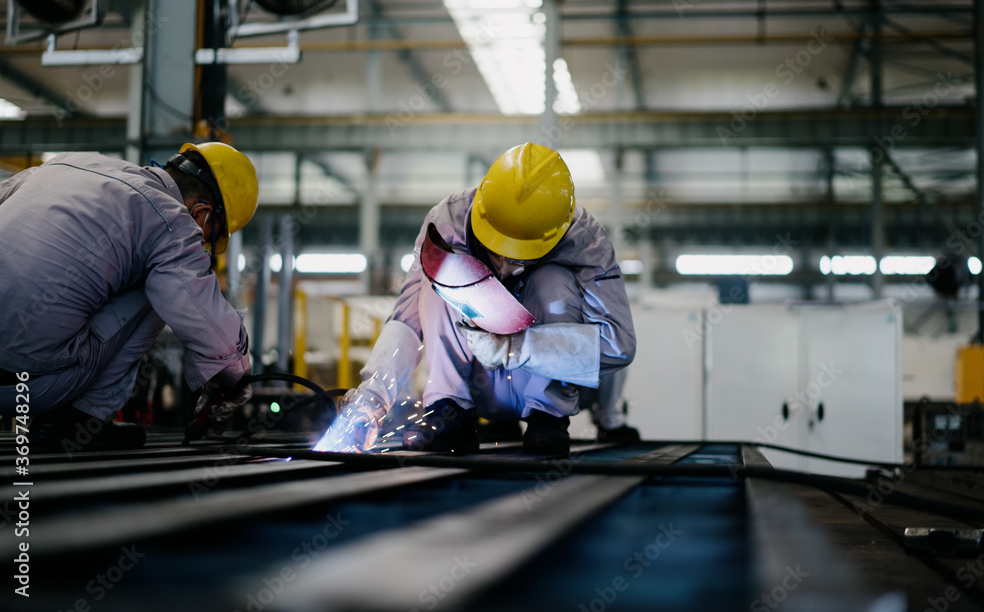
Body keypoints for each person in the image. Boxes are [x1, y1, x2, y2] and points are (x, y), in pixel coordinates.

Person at [315, 142, 636, 456]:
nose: (504, 265)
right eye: (496, 249)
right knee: (441, 275)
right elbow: (407, 319)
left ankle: (547, 416)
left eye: (516, 257)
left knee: (554, 282)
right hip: (476, 384)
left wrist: (517, 347)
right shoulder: (446, 223)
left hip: (543, 386)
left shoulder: (587, 242)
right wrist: (371, 401)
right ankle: (450, 410)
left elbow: (619, 345)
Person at [0, 143, 259, 452]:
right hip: (22, 384)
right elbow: (217, 337)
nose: (202, 246)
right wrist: (234, 379)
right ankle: (76, 421)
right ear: (201, 214)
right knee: (163, 284)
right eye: (208, 239)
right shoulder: (171, 221)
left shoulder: (68, 163)